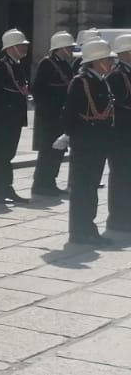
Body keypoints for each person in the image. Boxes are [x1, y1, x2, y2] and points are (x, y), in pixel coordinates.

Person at [63, 39, 117, 247]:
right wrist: (74, 137)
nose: (111, 63)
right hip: (85, 142)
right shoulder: (81, 81)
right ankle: (79, 231)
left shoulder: (101, 80)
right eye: (107, 59)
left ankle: (89, 228)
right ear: (96, 61)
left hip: (99, 142)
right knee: (81, 188)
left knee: (91, 187)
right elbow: (69, 114)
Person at [0, 29, 31, 206]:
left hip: (14, 117)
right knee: (1, 154)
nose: (24, 48)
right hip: (4, 117)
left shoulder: (16, 65)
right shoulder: (2, 66)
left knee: (8, 154)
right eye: (21, 45)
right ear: (11, 47)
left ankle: (6, 187)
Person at [32, 31, 75, 198]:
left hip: (60, 116)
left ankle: (51, 181)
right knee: (47, 151)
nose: (71, 51)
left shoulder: (65, 65)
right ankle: (41, 184)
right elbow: (38, 90)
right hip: (49, 117)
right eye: (68, 48)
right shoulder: (47, 64)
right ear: (60, 48)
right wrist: (49, 106)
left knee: (58, 152)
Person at [108, 35, 131, 236]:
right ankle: (117, 219)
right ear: (126, 53)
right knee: (120, 177)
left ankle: (126, 216)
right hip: (121, 134)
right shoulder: (117, 75)